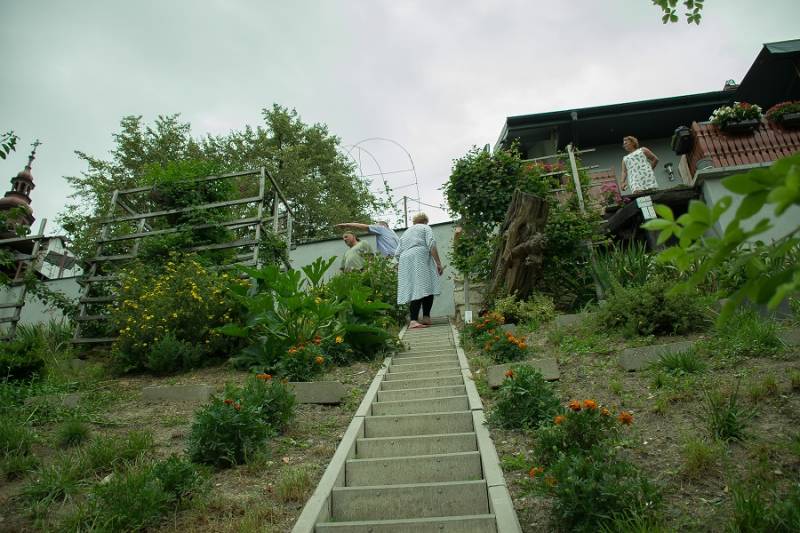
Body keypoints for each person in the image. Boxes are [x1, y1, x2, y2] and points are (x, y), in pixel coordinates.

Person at [395, 212, 444, 328]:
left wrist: (402, 266)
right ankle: (418, 319)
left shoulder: (406, 232)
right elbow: (431, 243)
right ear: (425, 221)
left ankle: (422, 318)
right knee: (425, 286)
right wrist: (438, 263)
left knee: (416, 287)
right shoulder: (425, 227)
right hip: (420, 256)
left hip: (405, 259)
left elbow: (397, 253)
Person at [334, 221, 399, 257]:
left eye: (375, 226)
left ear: (382, 225)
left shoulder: (381, 228)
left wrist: (346, 225)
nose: (374, 228)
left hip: (389, 259)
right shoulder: (394, 234)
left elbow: (363, 227)